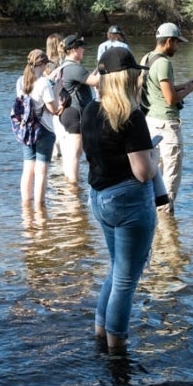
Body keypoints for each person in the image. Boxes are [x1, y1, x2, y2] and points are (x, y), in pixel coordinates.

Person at [81, 46, 159, 352]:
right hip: (128, 200)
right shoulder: (131, 115)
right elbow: (143, 173)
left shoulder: (90, 110)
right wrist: (153, 155)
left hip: (99, 197)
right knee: (126, 280)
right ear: (127, 78)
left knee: (116, 270)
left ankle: (101, 333)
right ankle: (117, 349)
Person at [141, 22, 193, 213]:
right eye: (177, 43)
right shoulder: (164, 63)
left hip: (150, 122)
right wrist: (190, 89)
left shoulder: (147, 58)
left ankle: (156, 224)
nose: (178, 47)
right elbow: (170, 99)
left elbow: (157, 90)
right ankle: (167, 228)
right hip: (168, 126)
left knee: (155, 176)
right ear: (169, 41)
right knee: (170, 178)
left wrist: (184, 84)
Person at [17, 49, 62, 206]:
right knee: (41, 171)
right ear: (42, 64)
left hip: (27, 129)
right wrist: (56, 90)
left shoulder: (21, 81)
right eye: (45, 65)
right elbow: (54, 109)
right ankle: (39, 207)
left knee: (28, 169)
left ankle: (26, 206)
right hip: (44, 130)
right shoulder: (43, 83)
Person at [54, 33, 99, 184]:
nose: (83, 51)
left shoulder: (64, 67)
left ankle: (70, 181)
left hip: (68, 112)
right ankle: (73, 185)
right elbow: (95, 81)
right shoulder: (73, 68)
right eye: (81, 48)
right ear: (74, 49)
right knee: (75, 152)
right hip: (75, 113)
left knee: (71, 151)